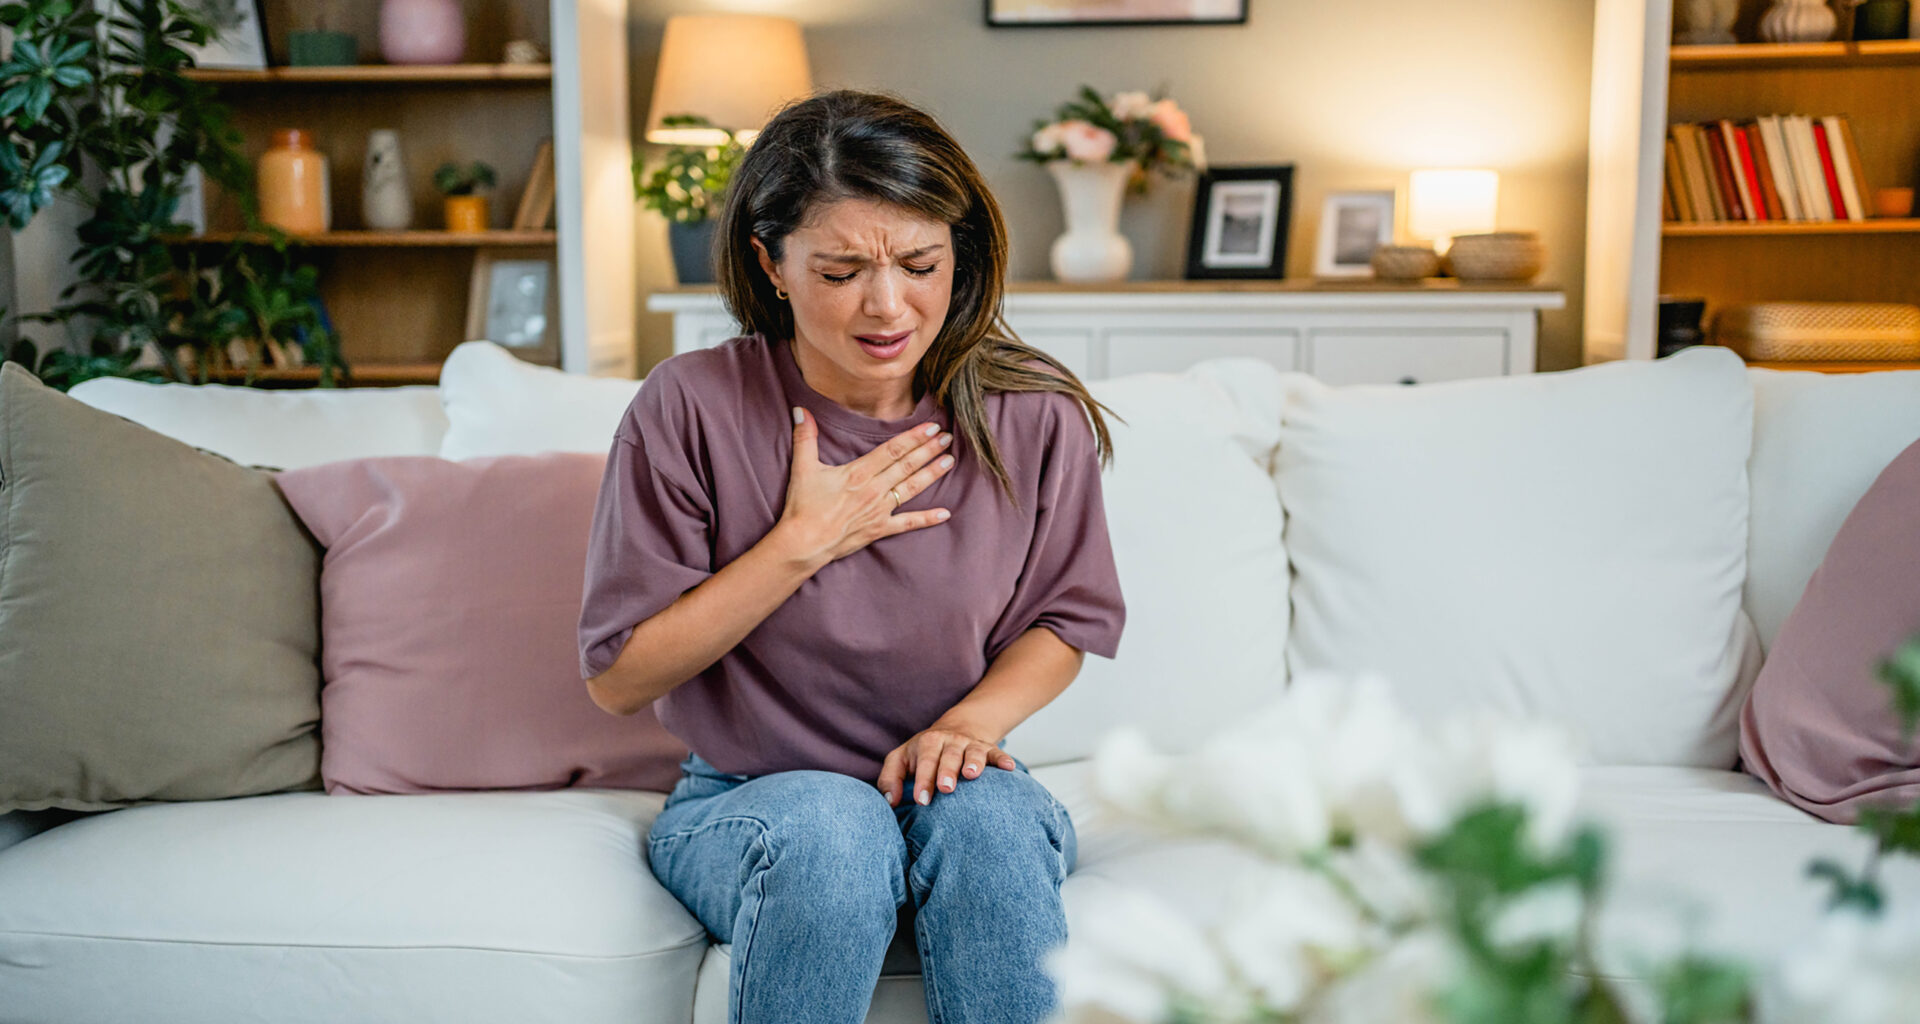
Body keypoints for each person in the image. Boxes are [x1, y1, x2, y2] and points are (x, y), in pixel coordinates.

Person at [577, 88, 1127, 1024]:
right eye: (839, 273)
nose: (887, 308)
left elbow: (1065, 617)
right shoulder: (692, 405)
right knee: (834, 829)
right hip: (753, 795)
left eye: (920, 264)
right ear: (772, 263)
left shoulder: (1032, 414)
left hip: (955, 778)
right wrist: (800, 544)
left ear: (963, 250)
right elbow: (621, 679)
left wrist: (972, 726)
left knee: (989, 824)